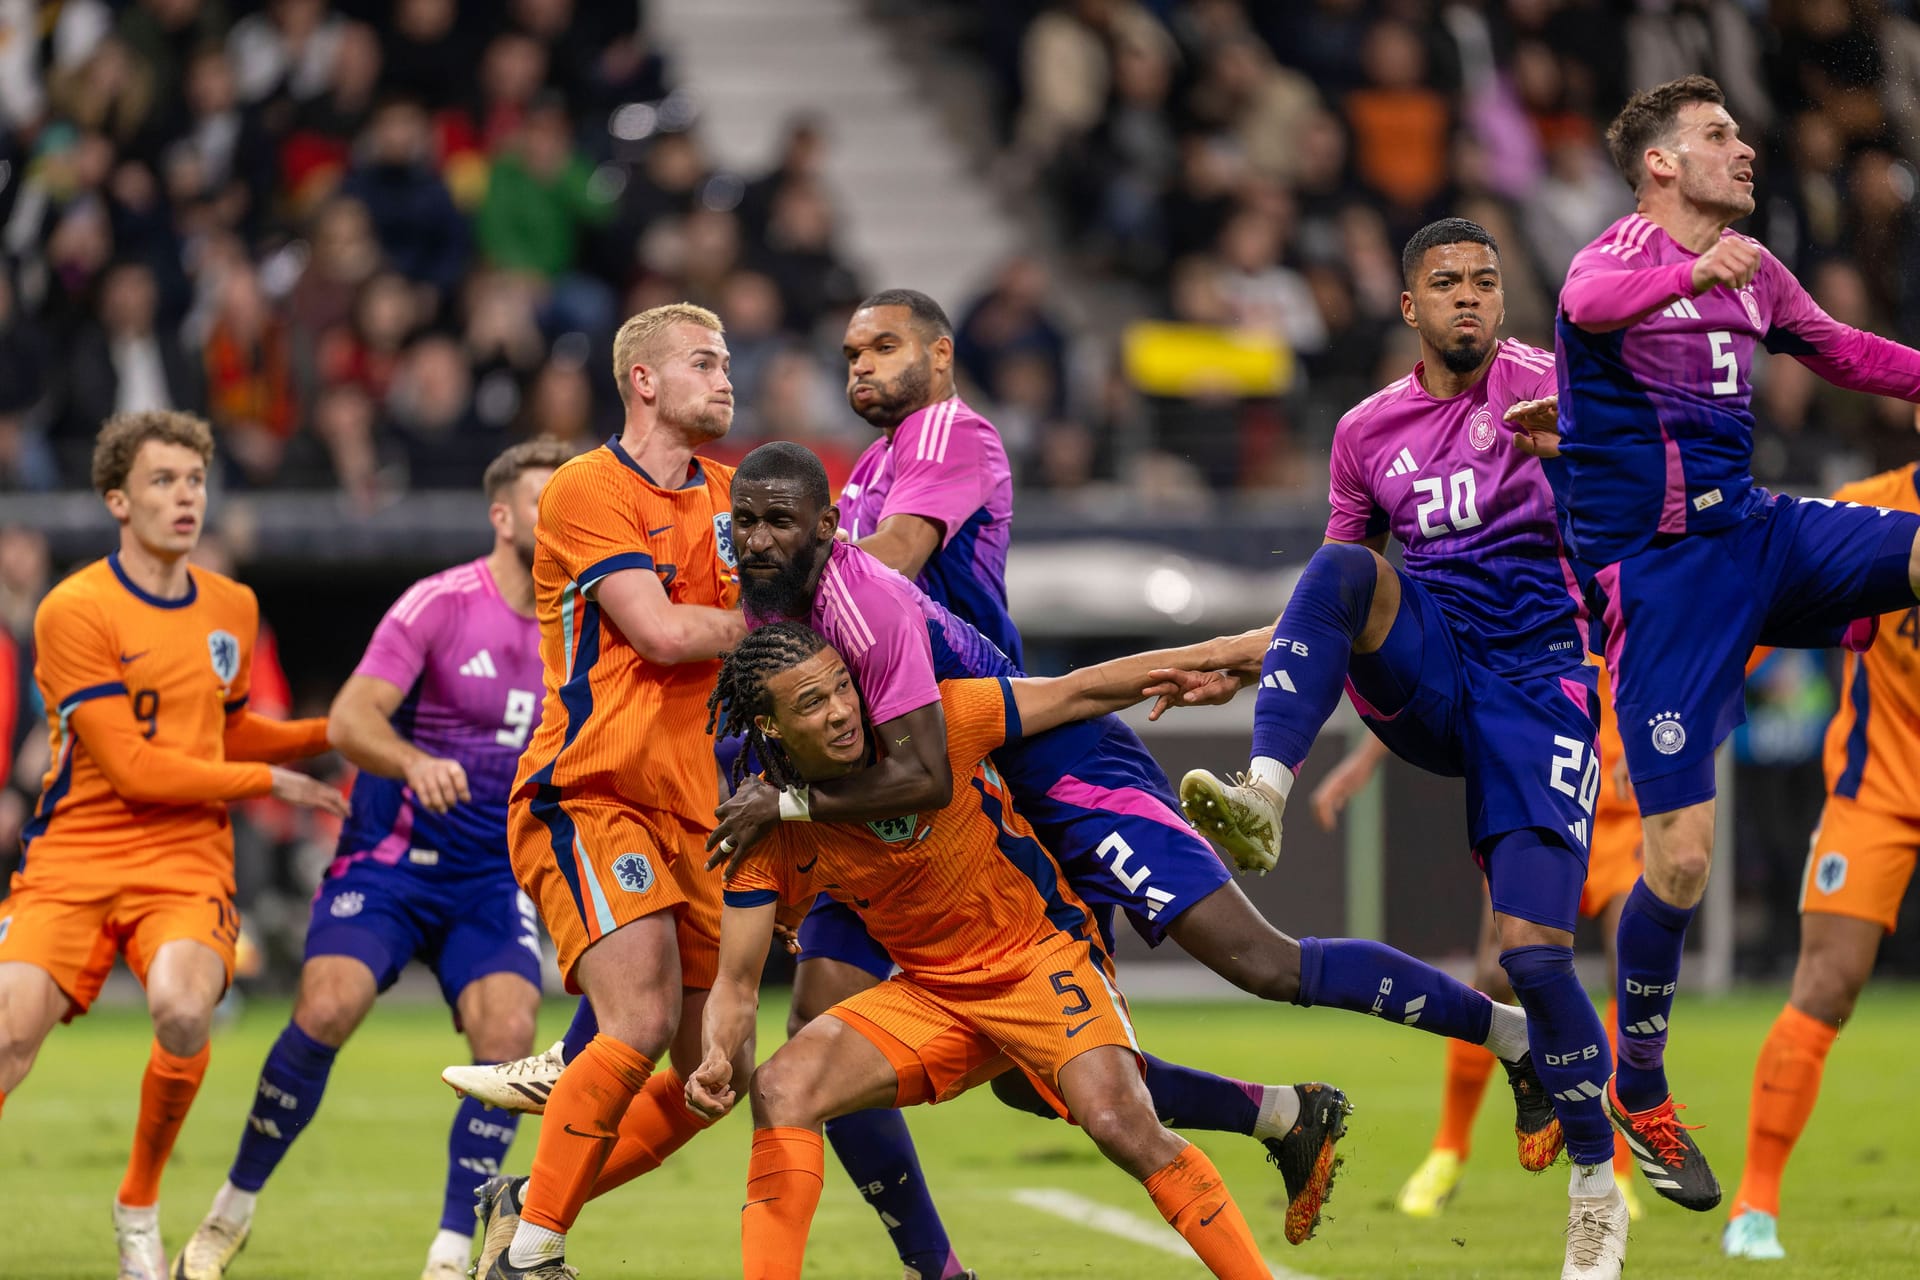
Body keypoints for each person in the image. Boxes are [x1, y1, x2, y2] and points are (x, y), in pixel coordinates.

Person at [1170, 218, 1630, 1279]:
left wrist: (1591, 456)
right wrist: (1251, 656)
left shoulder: (1560, 393)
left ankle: (1595, 1190)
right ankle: (1266, 794)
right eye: (1446, 282)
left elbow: (1640, 521)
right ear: (1410, 306)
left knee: (1529, 955)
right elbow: (1331, 600)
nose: (1469, 296)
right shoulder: (1368, 430)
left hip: (1545, 692)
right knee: (1337, 573)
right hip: (1432, 676)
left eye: (1484, 280)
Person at [688, 621, 1347, 1280]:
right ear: (770, 729)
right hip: (934, 994)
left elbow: (1080, 690)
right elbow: (737, 984)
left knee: (1121, 1122)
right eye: (810, 703)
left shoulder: (942, 720)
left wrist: (1211, 657)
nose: (839, 712)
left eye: (841, 688)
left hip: (1042, 958)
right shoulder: (765, 824)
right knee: (780, 1087)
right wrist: (719, 1055)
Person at [1542, 75, 1920, 1213]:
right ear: (1661, 164)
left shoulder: (1756, 274)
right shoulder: (1612, 258)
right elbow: (1591, 301)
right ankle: (1640, 1082)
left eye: (1741, 132)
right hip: (1661, 582)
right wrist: (1683, 274)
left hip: (1756, 535)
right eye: (1717, 136)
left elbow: (1847, 351)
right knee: (1684, 862)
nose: (1743, 149)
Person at [175, 440, 571, 1280]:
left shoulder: (587, 622)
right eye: (543, 501)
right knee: (327, 1007)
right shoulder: (437, 604)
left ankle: (451, 1252)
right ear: (501, 517)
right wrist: (412, 762)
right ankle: (228, 1214)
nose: (559, 517)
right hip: (392, 859)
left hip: (493, 875)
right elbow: (353, 720)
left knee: (509, 1035)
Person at [0, 411, 347, 1280]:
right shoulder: (74, 608)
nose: (185, 496)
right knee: (8, 1036)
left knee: (186, 1010)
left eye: (195, 480)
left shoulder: (232, 605)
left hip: (186, 857)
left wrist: (331, 731)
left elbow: (225, 732)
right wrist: (269, 784)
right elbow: (136, 768)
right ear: (118, 500)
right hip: (77, 850)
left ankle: (139, 1209)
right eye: (163, 481)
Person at [477, 304, 751, 1280]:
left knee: (720, 1075)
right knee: (634, 1019)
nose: (726, 377)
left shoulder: (733, 496)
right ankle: (532, 1256)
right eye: (704, 361)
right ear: (642, 379)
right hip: (591, 787)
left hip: (695, 808)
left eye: (728, 361)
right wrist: (778, 626)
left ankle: (529, 1201)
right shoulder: (587, 486)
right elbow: (665, 632)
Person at [1314, 665, 1644, 1221]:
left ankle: (1620, 1167)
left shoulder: (1627, 587)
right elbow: (1437, 666)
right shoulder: (1520, 591)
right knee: (1495, 974)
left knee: (1631, 969)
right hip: (1534, 800)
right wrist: (1364, 760)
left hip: (1619, 815)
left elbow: (1699, 659)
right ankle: (1448, 1148)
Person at [1723, 463, 1920, 1260]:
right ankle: (1754, 1208)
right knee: (1826, 986)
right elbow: (1768, 606)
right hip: (1877, 789)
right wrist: (1696, 700)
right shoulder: (1870, 508)